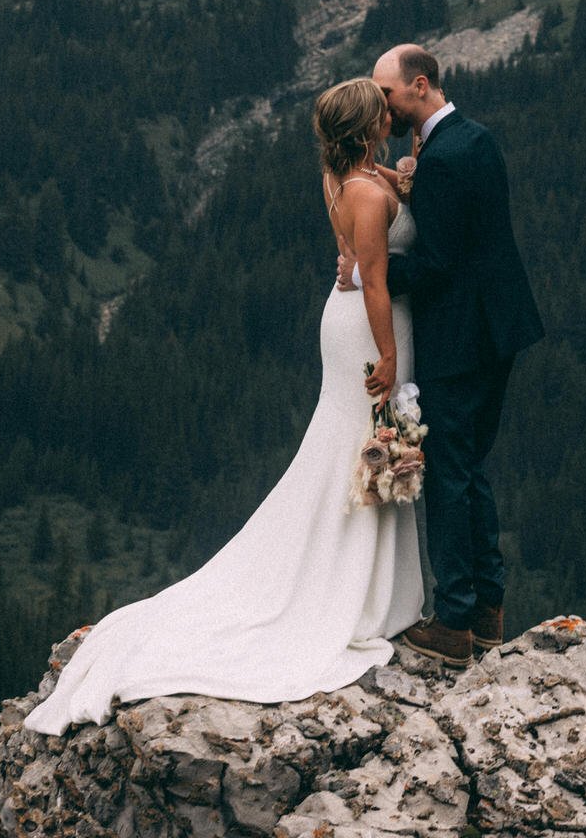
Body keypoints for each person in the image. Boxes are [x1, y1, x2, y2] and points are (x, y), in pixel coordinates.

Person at [22, 77, 426, 735]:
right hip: (370, 325)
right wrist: (385, 356)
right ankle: (358, 586)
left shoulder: (348, 175)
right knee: (369, 439)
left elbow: (367, 238)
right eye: (382, 111)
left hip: (349, 316)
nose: (391, 112)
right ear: (364, 127)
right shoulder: (363, 190)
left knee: (355, 446)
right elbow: (376, 280)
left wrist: (404, 174)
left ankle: (366, 577)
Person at [348, 43, 543, 670]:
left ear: (420, 85)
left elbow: (436, 265)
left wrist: (369, 271)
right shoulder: (472, 138)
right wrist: (403, 180)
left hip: (460, 337)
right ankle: (489, 610)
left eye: (387, 94)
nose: (382, 105)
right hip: (499, 325)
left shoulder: (445, 158)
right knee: (472, 467)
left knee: (450, 474)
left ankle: (454, 620)